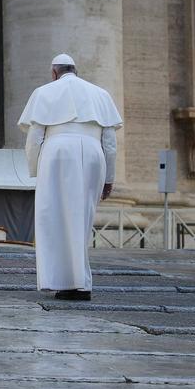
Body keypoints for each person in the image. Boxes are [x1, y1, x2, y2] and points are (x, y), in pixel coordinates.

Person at [17, 54, 122, 301]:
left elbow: (34, 139)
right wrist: (109, 177)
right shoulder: (100, 94)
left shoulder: (45, 92)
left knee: (52, 218)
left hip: (58, 154)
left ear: (54, 72)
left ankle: (62, 281)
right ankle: (81, 283)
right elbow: (110, 143)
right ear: (75, 69)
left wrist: (35, 170)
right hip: (94, 153)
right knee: (82, 218)